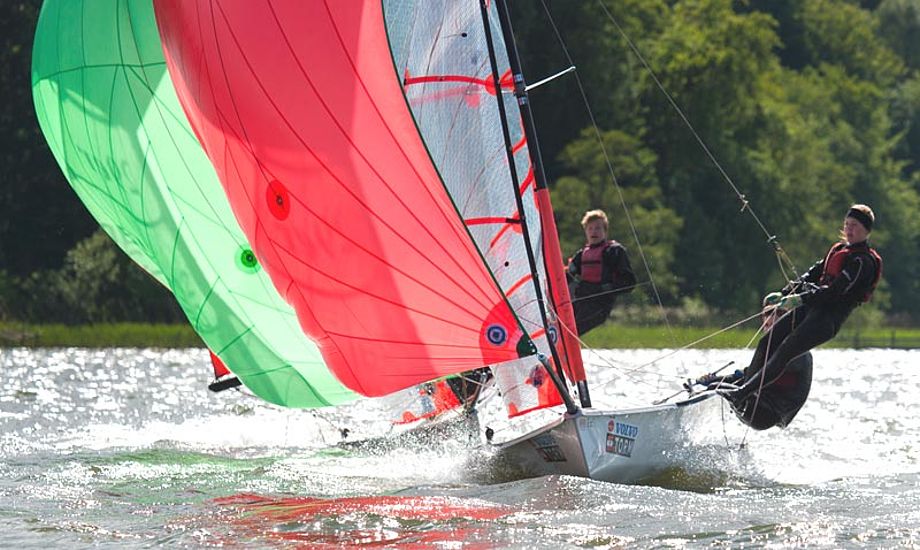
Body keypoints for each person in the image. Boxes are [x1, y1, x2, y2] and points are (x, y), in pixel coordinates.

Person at [724, 204, 882, 409]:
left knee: (785, 350)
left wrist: (799, 299)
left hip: (826, 320)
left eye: (854, 225)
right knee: (767, 342)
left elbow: (834, 293)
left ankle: (741, 394)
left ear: (866, 230)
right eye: (846, 224)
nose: (849, 229)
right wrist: (785, 293)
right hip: (809, 308)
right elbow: (812, 274)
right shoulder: (837, 250)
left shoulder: (863, 262)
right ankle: (745, 386)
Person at [698, 301, 813, 430]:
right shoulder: (778, 350)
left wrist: (716, 383)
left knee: (716, 388)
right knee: (717, 385)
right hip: (762, 406)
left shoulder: (797, 352)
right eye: (766, 325)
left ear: (785, 325)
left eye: (773, 325)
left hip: (771, 412)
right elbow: (747, 376)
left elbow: (764, 374)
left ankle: (692, 426)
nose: (768, 329)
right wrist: (713, 379)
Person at [566, 209, 636, 335]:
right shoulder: (581, 255)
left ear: (605, 231)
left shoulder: (614, 251)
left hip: (600, 305)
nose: (594, 231)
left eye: (598, 228)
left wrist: (608, 288)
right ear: (585, 231)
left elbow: (629, 282)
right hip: (581, 300)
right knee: (561, 327)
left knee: (571, 332)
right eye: (590, 228)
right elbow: (565, 278)